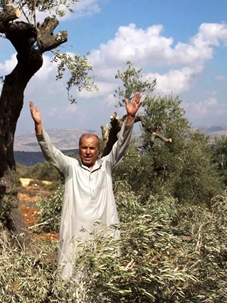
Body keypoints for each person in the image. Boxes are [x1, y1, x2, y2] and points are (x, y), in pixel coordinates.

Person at [29, 92, 142, 280]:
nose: (88, 152)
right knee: (70, 279)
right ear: (79, 149)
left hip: (102, 236)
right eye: (84, 147)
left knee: (102, 281)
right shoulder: (71, 167)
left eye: (92, 148)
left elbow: (121, 145)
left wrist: (130, 117)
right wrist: (39, 125)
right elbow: (50, 152)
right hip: (75, 237)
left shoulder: (106, 166)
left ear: (98, 151)